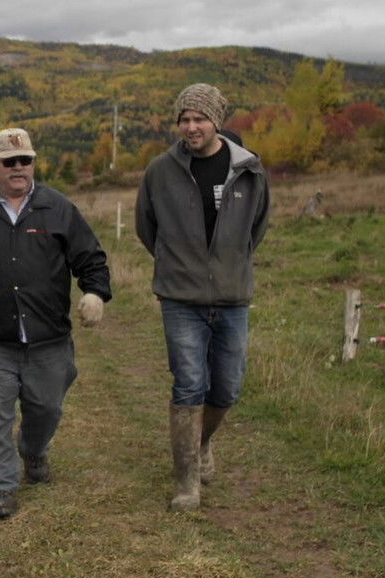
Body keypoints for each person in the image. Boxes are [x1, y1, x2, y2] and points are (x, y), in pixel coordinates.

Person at [0, 128, 112, 520]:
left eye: (25, 160)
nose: (18, 168)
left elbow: (91, 258)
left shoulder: (59, 207)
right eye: (10, 161)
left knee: (46, 408)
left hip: (49, 338)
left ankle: (33, 451)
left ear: (33, 162)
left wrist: (95, 293)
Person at [135, 83, 270, 511]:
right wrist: (177, 264)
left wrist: (228, 264)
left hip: (232, 296)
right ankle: (187, 482)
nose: (191, 127)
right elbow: (146, 227)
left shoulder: (248, 170)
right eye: (185, 119)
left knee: (227, 388)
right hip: (180, 297)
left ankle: (202, 441)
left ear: (217, 121)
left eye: (200, 119)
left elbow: (256, 228)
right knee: (189, 383)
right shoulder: (160, 171)